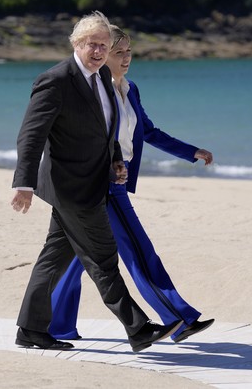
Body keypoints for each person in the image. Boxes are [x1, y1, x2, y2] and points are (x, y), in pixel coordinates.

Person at [10, 11, 182, 353]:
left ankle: (30, 329)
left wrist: (116, 161)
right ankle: (139, 329)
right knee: (103, 257)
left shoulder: (102, 77)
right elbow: (31, 136)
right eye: (93, 44)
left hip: (94, 181)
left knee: (53, 259)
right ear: (77, 43)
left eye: (104, 45)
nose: (100, 51)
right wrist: (23, 183)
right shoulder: (55, 80)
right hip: (69, 187)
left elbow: (107, 129)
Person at [48, 25, 215, 344]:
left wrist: (190, 151)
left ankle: (55, 325)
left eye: (129, 52)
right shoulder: (92, 92)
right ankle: (178, 320)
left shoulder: (130, 89)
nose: (126, 58)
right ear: (100, 54)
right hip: (101, 184)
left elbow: (149, 132)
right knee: (138, 250)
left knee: (78, 258)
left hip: (111, 183)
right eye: (117, 52)